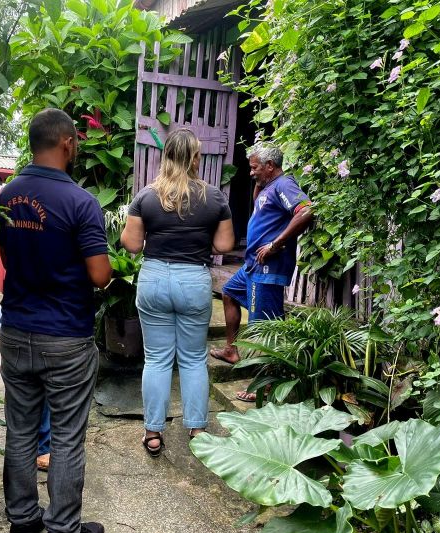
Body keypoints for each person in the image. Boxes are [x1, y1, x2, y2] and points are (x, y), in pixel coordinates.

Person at [0, 108, 112, 533]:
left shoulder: (6, 196)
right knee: (65, 436)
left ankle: (23, 526)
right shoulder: (80, 202)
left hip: (17, 329)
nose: (78, 145)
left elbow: (11, 259)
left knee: (20, 431)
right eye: (77, 140)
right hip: (65, 334)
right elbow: (100, 275)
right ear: (66, 142)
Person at [121, 129, 234, 456]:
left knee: (156, 359)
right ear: (196, 158)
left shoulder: (146, 196)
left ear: (165, 155)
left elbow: (130, 245)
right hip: (192, 281)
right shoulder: (214, 198)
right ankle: (197, 431)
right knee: (193, 359)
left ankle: (153, 433)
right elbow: (225, 245)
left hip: (154, 278)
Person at [210, 142, 313, 400]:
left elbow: (306, 211)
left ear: (270, 166)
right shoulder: (269, 187)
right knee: (229, 293)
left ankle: (265, 385)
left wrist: (276, 243)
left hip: (269, 269)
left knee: (262, 329)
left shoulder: (285, 184)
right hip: (253, 266)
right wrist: (259, 179)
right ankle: (232, 350)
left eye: (255, 168)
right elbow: (259, 202)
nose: (251, 173)